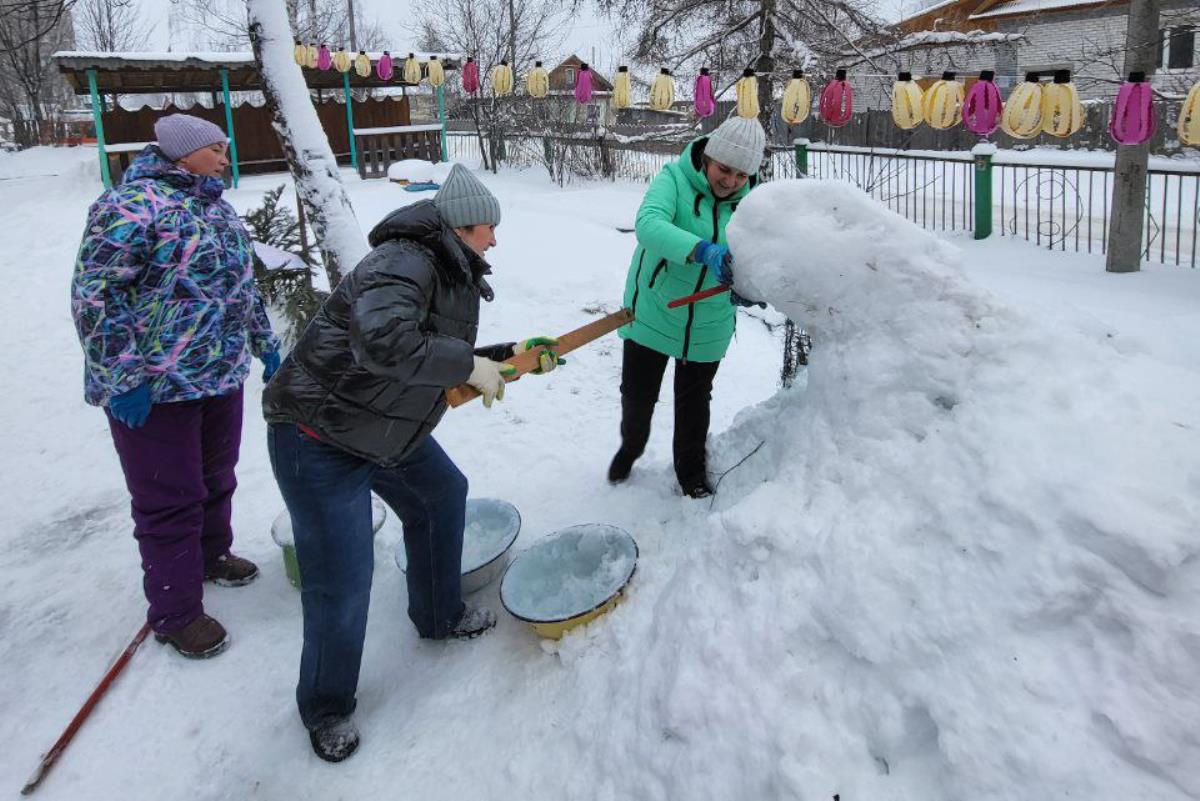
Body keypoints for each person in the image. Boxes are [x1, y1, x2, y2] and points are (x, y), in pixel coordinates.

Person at [262, 164, 559, 763]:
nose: (495, 240)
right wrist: (467, 366)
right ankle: (326, 706)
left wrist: (503, 359)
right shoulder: (405, 260)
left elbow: (427, 350)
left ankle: (438, 613)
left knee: (441, 493)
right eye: (486, 228)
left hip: (379, 427)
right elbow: (385, 343)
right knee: (342, 582)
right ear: (458, 226)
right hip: (320, 436)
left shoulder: (444, 264)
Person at [71, 114, 281, 659]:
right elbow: (96, 297)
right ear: (181, 155)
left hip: (217, 373)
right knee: (169, 497)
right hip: (155, 388)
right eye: (216, 147)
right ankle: (175, 611)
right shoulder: (129, 207)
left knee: (216, 477)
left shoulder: (215, 207)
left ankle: (212, 555)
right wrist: (122, 379)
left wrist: (264, 342)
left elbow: (242, 286)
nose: (225, 154)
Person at [608, 115, 766, 498]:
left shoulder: (755, 208)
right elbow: (648, 224)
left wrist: (749, 286)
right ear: (708, 158)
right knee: (638, 395)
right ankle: (631, 447)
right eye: (724, 169)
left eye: (742, 175)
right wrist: (702, 250)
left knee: (694, 404)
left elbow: (764, 260)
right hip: (654, 308)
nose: (731, 182)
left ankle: (691, 474)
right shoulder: (673, 180)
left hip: (709, 322)